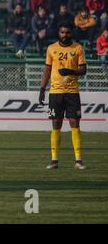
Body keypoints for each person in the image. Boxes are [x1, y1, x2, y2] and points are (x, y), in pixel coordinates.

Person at [39, 22, 87, 170]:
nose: (64, 35)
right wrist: (42, 89)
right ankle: (54, 160)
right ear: (58, 33)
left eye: (67, 32)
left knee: (74, 123)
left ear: (71, 33)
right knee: (56, 125)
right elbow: (47, 70)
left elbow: (83, 69)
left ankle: (78, 160)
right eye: (62, 32)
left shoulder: (78, 48)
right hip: (55, 92)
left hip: (72, 92)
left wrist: (71, 72)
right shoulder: (51, 48)